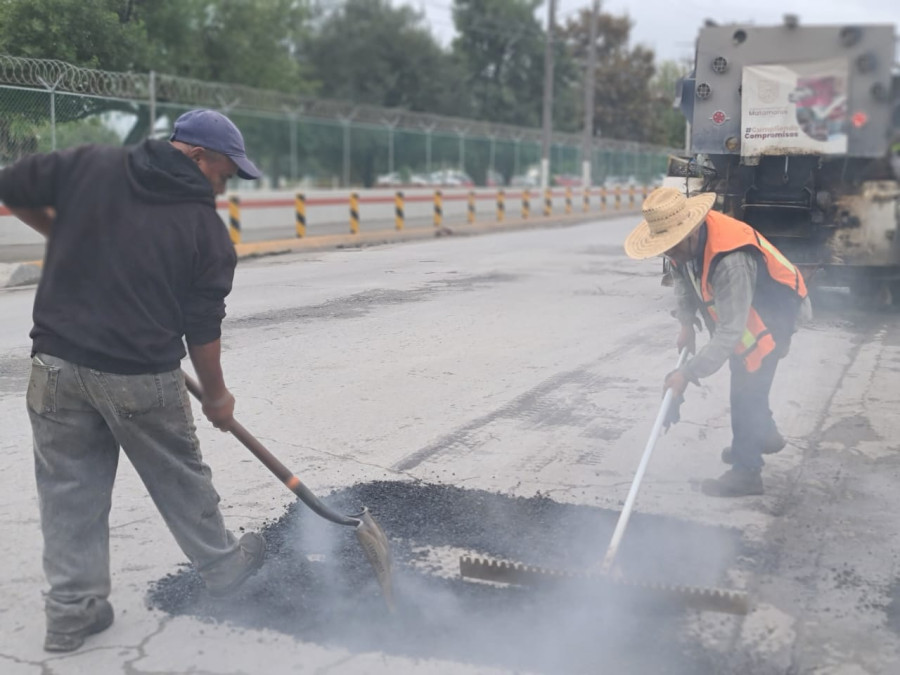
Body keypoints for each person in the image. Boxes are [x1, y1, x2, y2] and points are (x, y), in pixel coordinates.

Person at [0, 109, 266, 652]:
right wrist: (217, 396)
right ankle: (224, 570)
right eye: (224, 172)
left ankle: (72, 612)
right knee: (179, 475)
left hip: (55, 365)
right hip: (139, 375)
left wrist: (60, 228)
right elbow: (202, 328)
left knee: (68, 488)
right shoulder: (204, 231)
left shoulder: (91, 166)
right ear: (195, 156)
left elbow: (8, 184)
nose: (225, 184)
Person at [624, 187, 809, 498]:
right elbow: (682, 275)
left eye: (672, 247)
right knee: (750, 379)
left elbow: (730, 332)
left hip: (775, 311)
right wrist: (686, 323)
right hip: (745, 311)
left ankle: (746, 471)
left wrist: (688, 373)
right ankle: (763, 434)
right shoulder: (684, 246)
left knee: (746, 387)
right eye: (664, 249)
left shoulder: (731, 260)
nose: (669, 254)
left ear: (690, 232)